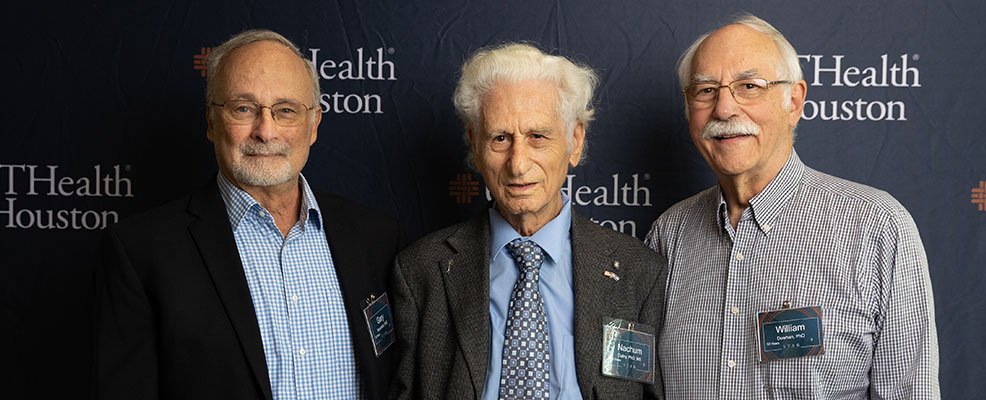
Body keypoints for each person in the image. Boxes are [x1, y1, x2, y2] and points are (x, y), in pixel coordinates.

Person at [644, 13, 939, 399]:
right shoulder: (669, 235)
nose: (724, 109)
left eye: (749, 86)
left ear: (794, 100)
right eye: (705, 91)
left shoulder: (876, 227)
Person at [93, 29, 399, 399]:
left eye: (285, 110)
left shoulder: (378, 239)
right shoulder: (141, 253)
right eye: (243, 109)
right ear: (211, 121)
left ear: (314, 124)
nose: (265, 131)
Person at [389, 43, 666, 400]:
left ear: (575, 141)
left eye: (537, 137)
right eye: (500, 138)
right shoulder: (420, 272)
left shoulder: (637, 271)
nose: (518, 163)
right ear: (475, 145)